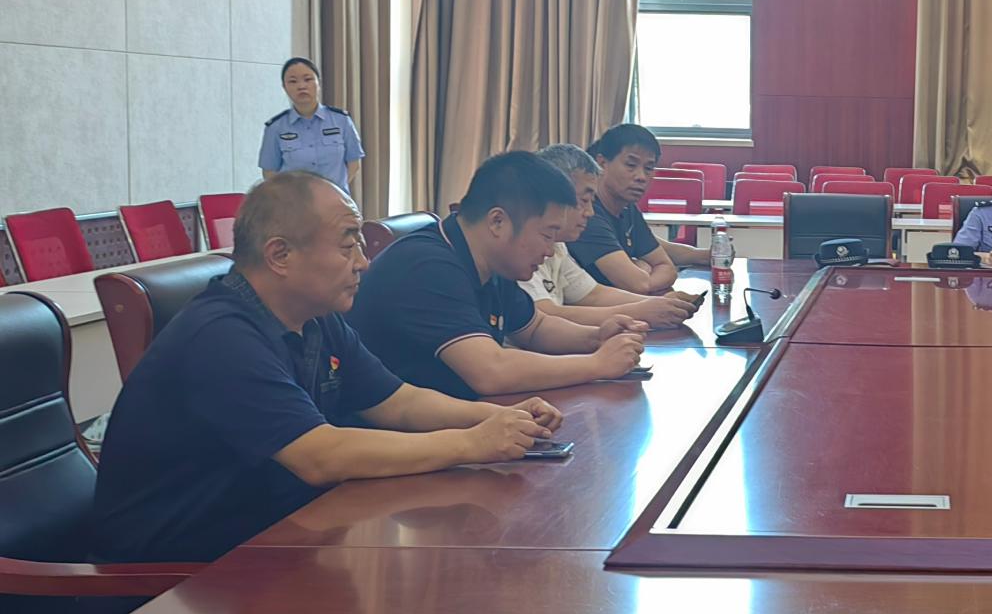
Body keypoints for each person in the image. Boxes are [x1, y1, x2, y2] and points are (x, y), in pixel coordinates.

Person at [91, 171, 561, 564]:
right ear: (280, 255)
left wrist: (501, 418)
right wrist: (472, 443)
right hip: (176, 582)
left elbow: (398, 402)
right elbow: (320, 455)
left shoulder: (316, 319)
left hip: (270, 543)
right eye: (347, 245)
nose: (363, 263)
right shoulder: (220, 336)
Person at [348, 151, 649, 399]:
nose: (550, 250)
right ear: (497, 222)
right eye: (547, 235)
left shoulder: (490, 260)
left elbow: (535, 328)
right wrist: (596, 364)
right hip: (391, 434)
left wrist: (597, 336)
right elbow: (491, 372)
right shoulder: (427, 265)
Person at [526, 144, 700, 330]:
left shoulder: (558, 246)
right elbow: (542, 316)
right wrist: (640, 311)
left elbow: (592, 294)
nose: (590, 213)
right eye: (584, 201)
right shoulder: (522, 247)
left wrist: (658, 303)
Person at [569, 124, 705, 295]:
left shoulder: (627, 208)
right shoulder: (587, 215)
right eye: (631, 165)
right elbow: (637, 284)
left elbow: (667, 268)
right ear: (602, 164)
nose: (641, 177)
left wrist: (644, 273)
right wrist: (644, 272)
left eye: (648, 168)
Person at [258, 57, 364, 198]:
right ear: (284, 87)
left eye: (308, 79)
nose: (301, 86)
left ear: (318, 83)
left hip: (336, 202)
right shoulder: (276, 127)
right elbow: (269, 172)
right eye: (293, 81)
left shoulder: (341, 120)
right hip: (295, 205)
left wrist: (335, 191)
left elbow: (354, 163)